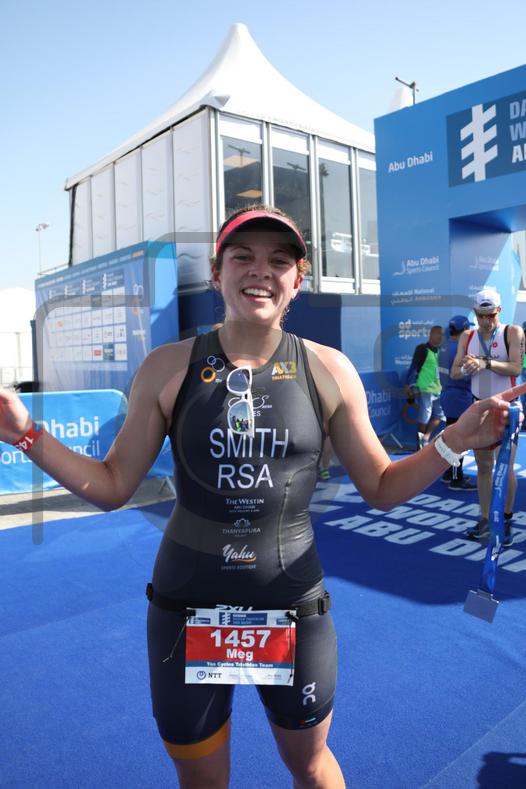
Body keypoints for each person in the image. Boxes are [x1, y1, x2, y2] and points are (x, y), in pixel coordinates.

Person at [0, 206, 517, 789]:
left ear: (298, 279)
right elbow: (113, 484)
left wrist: (453, 442)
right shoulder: (167, 368)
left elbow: (380, 486)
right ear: (216, 272)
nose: (260, 271)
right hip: (185, 606)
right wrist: (25, 433)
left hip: (291, 605)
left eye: (279, 260)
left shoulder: (328, 369)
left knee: (311, 766)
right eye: (242, 257)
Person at [451, 287, 525, 547]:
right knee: (483, 467)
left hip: (507, 409)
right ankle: (484, 519)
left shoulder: (512, 332)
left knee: (505, 468)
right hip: (479, 408)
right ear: (475, 313)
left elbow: (516, 367)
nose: (485, 321)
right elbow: (455, 373)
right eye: (480, 315)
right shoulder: (467, 336)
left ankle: (505, 520)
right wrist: (467, 366)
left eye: (490, 315)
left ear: (499, 311)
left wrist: (485, 362)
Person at [438, 315, 477, 491]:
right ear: (464, 330)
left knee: (451, 438)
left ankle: (449, 473)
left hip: (448, 395)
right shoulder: (459, 350)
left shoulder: (445, 346)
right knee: (458, 440)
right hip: (459, 398)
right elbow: (464, 376)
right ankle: (456, 478)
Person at [405, 325, 445, 449]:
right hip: (425, 389)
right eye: (438, 334)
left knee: (440, 416)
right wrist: (408, 384)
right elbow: (413, 367)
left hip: (440, 389)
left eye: (442, 334)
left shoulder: (442, 351)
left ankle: (425, 438)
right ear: (431, 335)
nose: (440, 337)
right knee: (424, 416)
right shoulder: (422, 349)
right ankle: (420, 445)